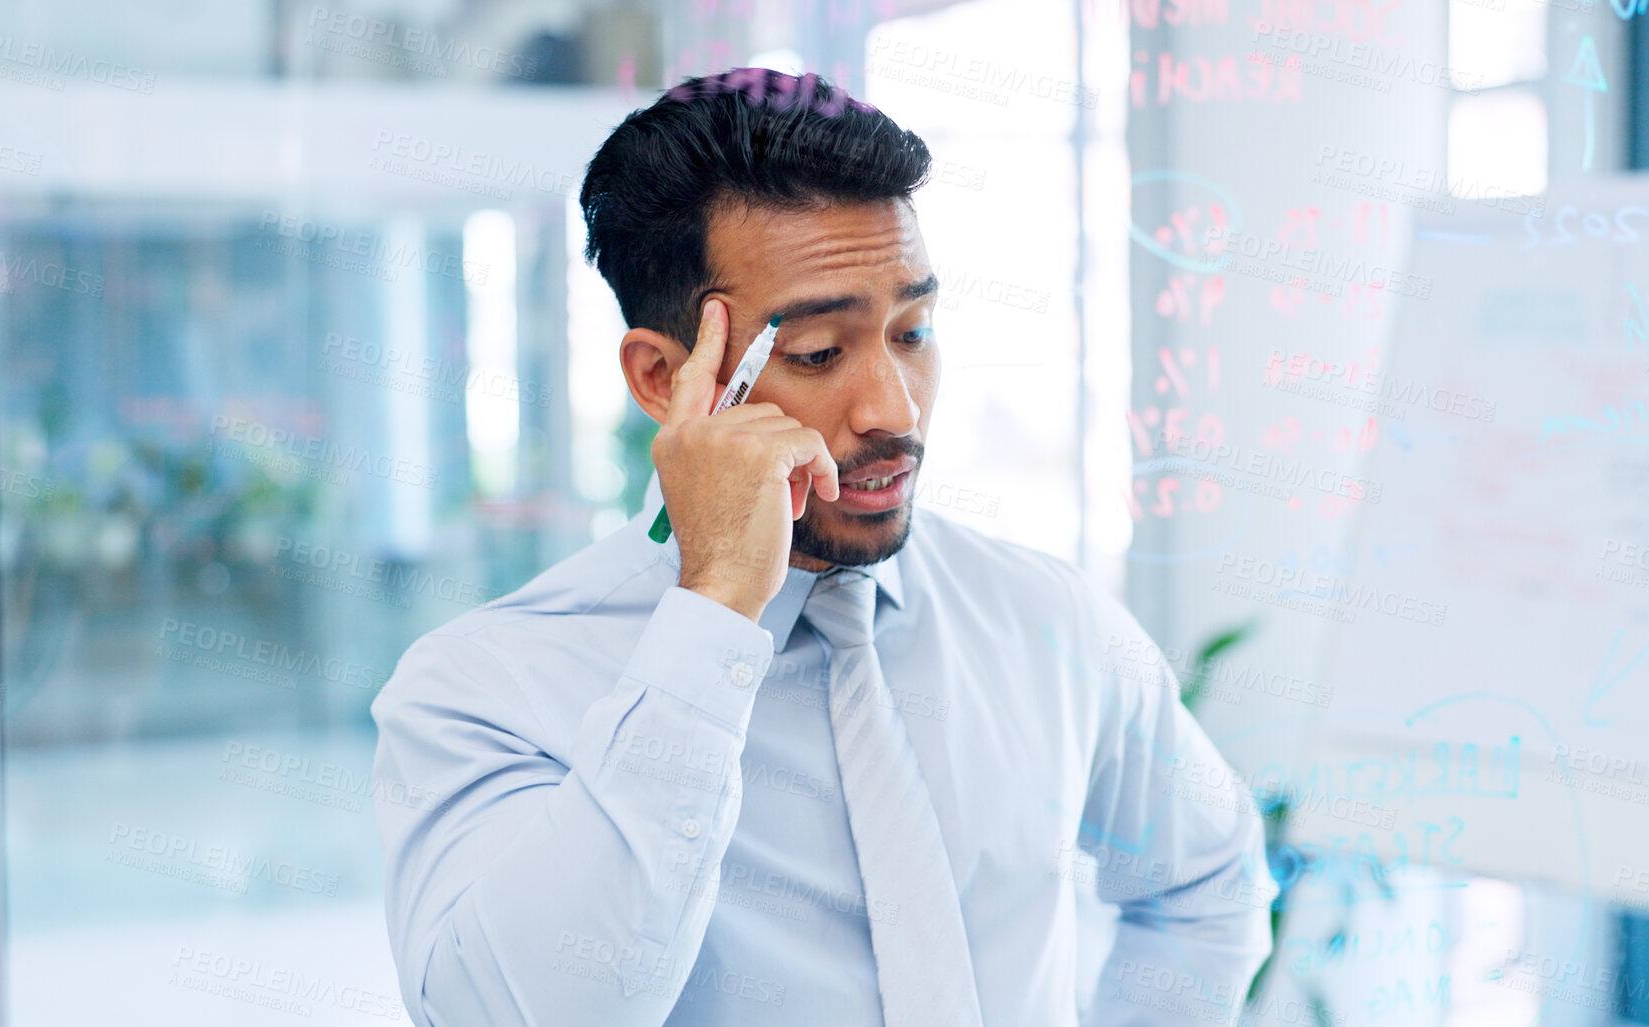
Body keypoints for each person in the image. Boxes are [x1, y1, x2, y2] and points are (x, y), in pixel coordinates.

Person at [371, 67, 1275, 1027]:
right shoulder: (485, 689)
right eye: (815, 354)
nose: (894, 409)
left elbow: (1206, 881)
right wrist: (713, 606)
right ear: (663, 378)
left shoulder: (1044, 620)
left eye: (912, 330)